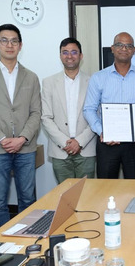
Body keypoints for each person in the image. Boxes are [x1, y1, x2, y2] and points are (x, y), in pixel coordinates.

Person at [0, 23, 41, 229]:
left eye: (14, 41)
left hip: (26, 148)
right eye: (4, 40)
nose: (9, 45)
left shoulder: (31, 76)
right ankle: (2, 246)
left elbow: (36, 112)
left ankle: (27, 240)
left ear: (20, 46)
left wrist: (22, 139)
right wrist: (2, 139)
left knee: (28, 200)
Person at [83, 32, 135, 179]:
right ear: (112, 48)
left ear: (134, 50)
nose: (124, 48)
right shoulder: (98, 78)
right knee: (106, 189)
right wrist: (102, 131)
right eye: (119, 45)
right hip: (107, 143)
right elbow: (89, 109)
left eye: (129, 46)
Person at [41, 38, 97, 183]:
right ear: (60, 56)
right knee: (64, 196)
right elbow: (46, 117)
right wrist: (64, 142)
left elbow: (97, 117)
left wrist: (79, 141)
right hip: (60, 149)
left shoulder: (93, 81)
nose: (69, 56)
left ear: (81, 55)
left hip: (86, 148)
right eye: (65, 52)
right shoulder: (48, 82)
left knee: (86, 196)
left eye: (74, 52)